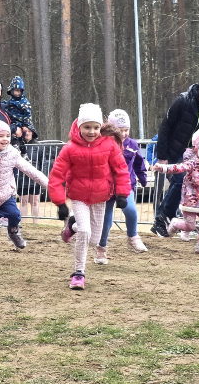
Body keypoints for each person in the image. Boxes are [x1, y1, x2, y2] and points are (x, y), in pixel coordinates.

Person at [50, 104, 131, 290]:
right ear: (79, 126)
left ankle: (72, 225)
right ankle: (78, 273)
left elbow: (121, 169)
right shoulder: (70, 149)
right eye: (87, 127)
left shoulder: (109, 145)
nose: (91, 132)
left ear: (100, 127)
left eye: (95, 127)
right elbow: (56, 176)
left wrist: (122, 193)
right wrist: (60, 202)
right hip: (78, 196)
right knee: (85, 233)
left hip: (101, 197)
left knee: (94, 240)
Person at [152, 75, 199, 238]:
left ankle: (187, 224)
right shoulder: (183, 101)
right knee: (180, 180)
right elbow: (165, 127)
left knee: (196, 186)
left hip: (198, 154)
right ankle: (160, 219)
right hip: (176, 150)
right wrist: (162, 155)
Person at [0, 120, 48, 260]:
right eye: (0, 136)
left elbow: (29, 170)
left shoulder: (13, 153)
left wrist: (48, 184)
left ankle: (13, 232)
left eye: (7, 136)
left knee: (15, 214)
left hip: (5, 194)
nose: (5, 139)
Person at [99, 110, 149, 257]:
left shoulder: (132, 144)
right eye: (120, 130)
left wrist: (142, 176)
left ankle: (133, 236)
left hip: (126, 184)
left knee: (131, 210)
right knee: (106, 220)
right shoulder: (104, 144)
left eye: (126, 130)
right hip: (107, 187)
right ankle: (101, 246)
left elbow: (139, 162)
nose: (124, 133)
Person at [15, 127, 44, 223]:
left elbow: (41, 162)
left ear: (33, 133)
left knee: (35, 201)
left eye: (29, 131)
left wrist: (40, 176)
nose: (27, 133)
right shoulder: (18, 144)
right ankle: (22, 223)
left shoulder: (38, 145)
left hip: (35, 178)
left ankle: (36, 223)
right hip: (22, 178)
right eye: (25, 132)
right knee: (23, 201)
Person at [2, 76, 37, 154]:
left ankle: (22, 153)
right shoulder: (9, 101)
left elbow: (28, 115)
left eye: (20, 91)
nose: (18, 93)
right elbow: (6, 109)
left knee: (22, 139)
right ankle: (15, 148)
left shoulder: (24, 102)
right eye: (16, 90)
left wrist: (26, 124)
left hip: (21, 122)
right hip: (12, 122)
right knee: (13, 135)